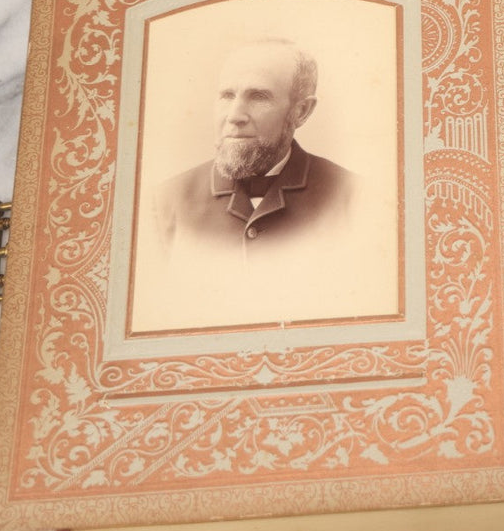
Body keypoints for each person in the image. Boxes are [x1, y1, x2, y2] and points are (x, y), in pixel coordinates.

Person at [147, 38, 361, 324]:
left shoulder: (356, 199)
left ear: (301, 112)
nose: (234, 116)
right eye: (226, 95)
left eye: (258, 97)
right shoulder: (164, 203)